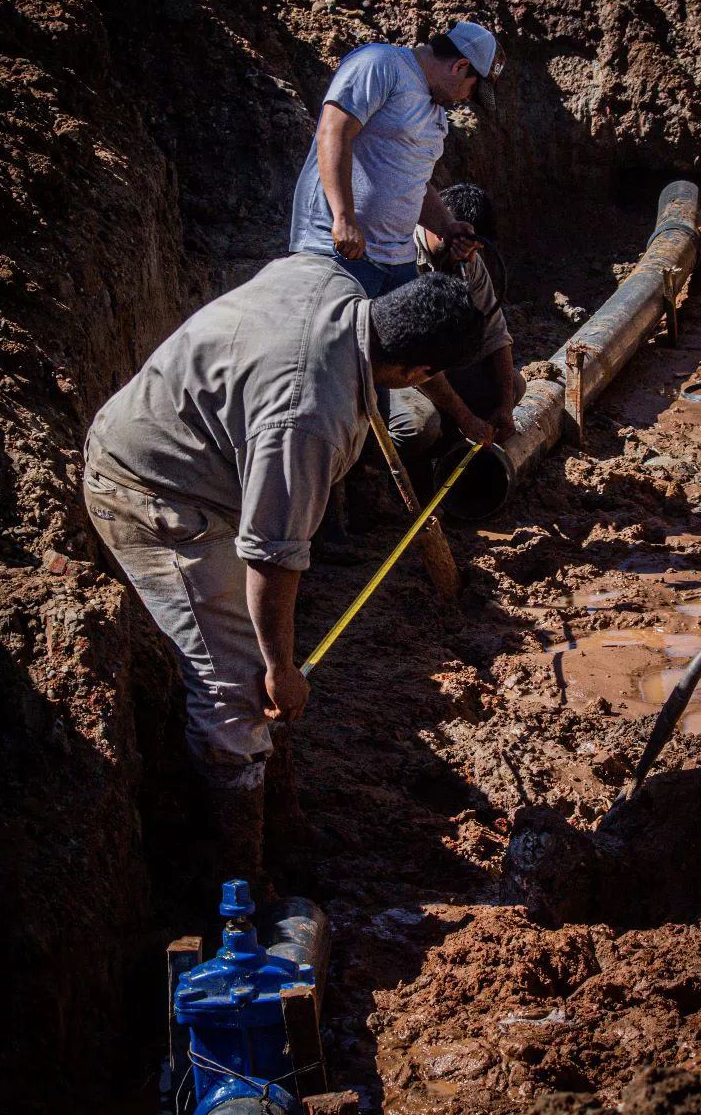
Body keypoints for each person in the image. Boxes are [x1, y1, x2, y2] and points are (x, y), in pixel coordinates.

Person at [83, 253, 484, 891]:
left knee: (254, 669)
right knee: (237, 691)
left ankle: (283, 822)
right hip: (153, 492)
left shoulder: (331, 282)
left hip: (192, 450)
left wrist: (464, 419)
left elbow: (409, 357)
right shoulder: (306, 419)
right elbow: (271, 555)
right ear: (412, 368)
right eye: (426, 377)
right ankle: (236, 878)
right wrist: (280, 669)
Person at [289, 21, 506, 298]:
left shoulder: (436, 114)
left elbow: (413, 183)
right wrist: (343, 218)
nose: (465, 99)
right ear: (460, 66)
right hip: (342, 251)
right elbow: (333, 132)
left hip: (397, 261)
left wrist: (447, 227)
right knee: (335, 339)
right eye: (472, 90)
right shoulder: (381, 64)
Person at [389, 183, 526, 465]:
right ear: (438, 227)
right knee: (418, 429)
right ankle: (375, 471)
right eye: (464, 246)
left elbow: (495, 333)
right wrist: (465, 418)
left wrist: (504, 405)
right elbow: (415, 358)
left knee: (511, 385)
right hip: (396, 374)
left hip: (438, 367)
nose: (469, 258)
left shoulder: (467, 258)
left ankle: (447, 449)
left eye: (474, 249)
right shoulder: (399, 258)